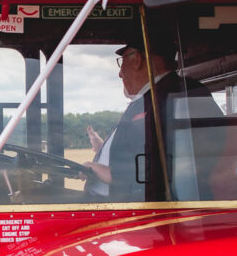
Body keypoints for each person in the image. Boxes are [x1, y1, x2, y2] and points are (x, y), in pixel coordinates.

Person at [83, 31, 224, 202]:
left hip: (135, 206)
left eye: (122, 62)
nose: (120, 73)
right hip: (113, 200)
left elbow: (180, 163)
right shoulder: (149, 98)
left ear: (137, 59)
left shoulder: (180, 94)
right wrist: (103, 150)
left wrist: (105, 171)